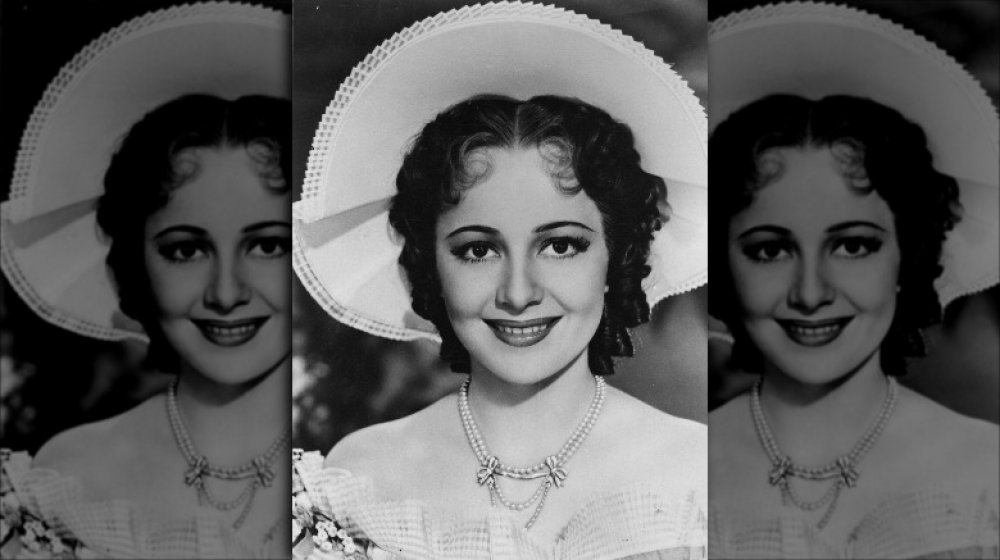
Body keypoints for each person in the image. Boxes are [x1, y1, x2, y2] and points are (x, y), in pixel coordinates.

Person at [290, 4, 708, 559]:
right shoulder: (357, 479)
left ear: (617, 254)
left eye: (560, 246)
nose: (517, 293)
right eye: (478, 250)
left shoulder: (698, 479)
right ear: (430, 265)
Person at [707, 4, 999, 558]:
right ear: (724, 263)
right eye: (769, 249)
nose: (811, 293)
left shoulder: (989, 470)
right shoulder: (663, 481)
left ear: (908, 256)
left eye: (853, 246)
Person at [0, 4, 291, 559]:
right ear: (136, 265)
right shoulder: (67, 479)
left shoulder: (364, 478)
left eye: (267, 245)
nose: (226, 293)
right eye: (186, 249)